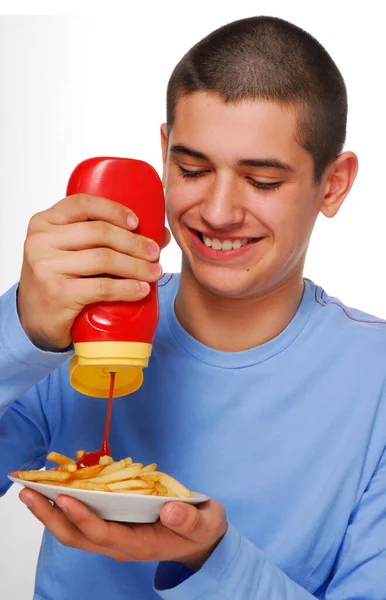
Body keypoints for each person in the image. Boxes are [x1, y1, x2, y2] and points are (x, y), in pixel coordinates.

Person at [0, 14, 385, 600]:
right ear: (163, 152)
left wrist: (209, 559)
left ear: (333, 184)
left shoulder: (374, 381)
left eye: (261, 180)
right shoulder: (76, 322)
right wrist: (19, 333)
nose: (219, 211)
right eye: (192, 169)